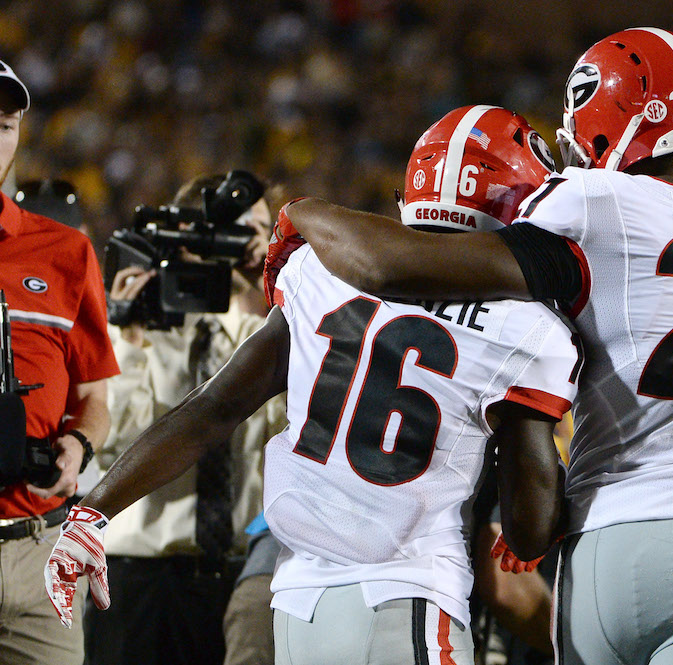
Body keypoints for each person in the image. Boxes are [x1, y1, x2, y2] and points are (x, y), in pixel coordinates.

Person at [282, 27, 673, 665]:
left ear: (609, 114)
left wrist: (306, 214)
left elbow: (402, 265)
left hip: (601, 542)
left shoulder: (592, 204)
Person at [45, 105, 580, 665]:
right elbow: (527, 533)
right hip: (411, 596)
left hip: (298, 602)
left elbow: (211, 411)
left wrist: (94, 510)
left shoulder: (321, 272)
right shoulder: (530, 330)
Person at [82, 172, 288, 665]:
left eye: (266, 229)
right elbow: (115, 445)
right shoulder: (141, 323)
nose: (255, 242)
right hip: (141, 576)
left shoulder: (264, 335)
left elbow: (287, 436)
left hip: (232, 571)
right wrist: (127, 334)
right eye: (244, 227)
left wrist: (280, 287)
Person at [0, 58, 119, 665]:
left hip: (39, 545)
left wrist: (79, 446)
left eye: (5, 125)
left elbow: (96, 395)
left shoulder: (65, 251)